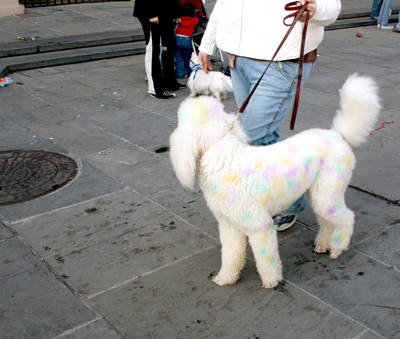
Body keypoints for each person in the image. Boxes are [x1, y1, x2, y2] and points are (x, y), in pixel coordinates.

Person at [198, 0, 341, 231]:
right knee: (261, 137)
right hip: (238, 59)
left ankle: (291, 202)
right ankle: (267, 193)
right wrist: (208, 42)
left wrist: (317, 9)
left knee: (253, 135)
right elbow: (224, 4)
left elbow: (331, 4)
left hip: (280, 61)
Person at [133, 0, 186, 99]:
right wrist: (151, 14)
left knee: (168, 47)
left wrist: (177, 13)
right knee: (154, 50)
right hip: (151, 12)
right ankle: (155, 89)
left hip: (165, 11)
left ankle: (170, 81)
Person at [175, 3, 199, 78]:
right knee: (187, 57)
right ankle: (189, 71)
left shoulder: (180, 19)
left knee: (179, 57)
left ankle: (180, 73)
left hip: (178, 37)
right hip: (187, 39)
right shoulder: (195, 19)